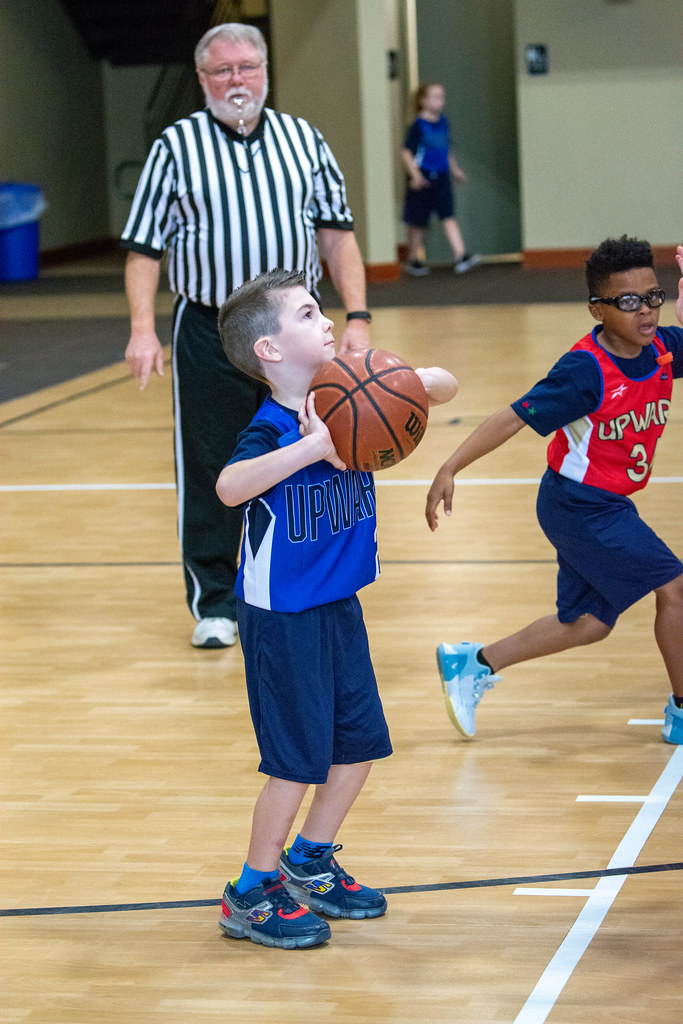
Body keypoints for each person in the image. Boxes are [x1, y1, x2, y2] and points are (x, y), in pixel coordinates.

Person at [214, 268, 457, 948]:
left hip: (338, 603)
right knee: (295, 762)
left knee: (358, 747)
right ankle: (250, 891)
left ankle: (310, 860)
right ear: (269, 349)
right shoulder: (271, 427)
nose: (326, 322)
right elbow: (230, 487)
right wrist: (316, 447)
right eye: (306, 314)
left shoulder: (358, 391)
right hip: (282, 616)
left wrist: (409, 380)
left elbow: (444, 386)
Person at [121, 23, 372, 649]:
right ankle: (215, 601)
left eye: (247, 67)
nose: (236, 80)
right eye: (222, 70)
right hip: (211, 330)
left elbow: (338, 235)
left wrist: (358, 316)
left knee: (314, 445)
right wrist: (142, 329)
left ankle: (307, 578)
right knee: (211, 460)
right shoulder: (175, 146)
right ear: (202, 79)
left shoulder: (303, 139)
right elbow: (144, 249)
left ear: (264, 71)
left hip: (296, 333)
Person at [425, 237, 683, 745]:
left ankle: (473, 663)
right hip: (579, 506)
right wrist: (451, 466)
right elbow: (513, 416)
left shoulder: (662, 348)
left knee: (589, 623)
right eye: (628, 301)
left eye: (653, 296)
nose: (646, 310)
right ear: (597, 309)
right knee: (675, 587)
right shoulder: (585, 371)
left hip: (602, 503)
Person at [400, 82, 481, 277]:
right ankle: (414, 259)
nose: (440, 101)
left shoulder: (444, 122)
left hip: (442, 176)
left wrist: (455, 170)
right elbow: (406, 152)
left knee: (448, 215)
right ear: (423, 100)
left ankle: (461, 255)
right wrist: (415, 175)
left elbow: (446, 149)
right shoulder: (418, 126)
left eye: (441, 97)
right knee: (418, 222)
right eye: (435, 97)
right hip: (424, 178)